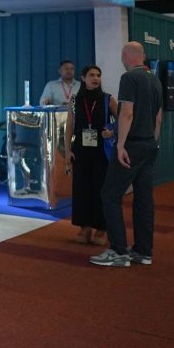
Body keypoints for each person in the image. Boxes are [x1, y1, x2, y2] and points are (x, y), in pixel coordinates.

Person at [91, 42, 163, 268]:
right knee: (144, 198)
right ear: (143, 56)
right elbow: (158, 117)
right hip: (149, 144)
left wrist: (120, 145)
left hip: (132, 145)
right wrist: (153, 142)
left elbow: (126, 114)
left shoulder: (129, 78)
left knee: (110, 194)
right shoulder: (155, 80)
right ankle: (143, 251)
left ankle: (118, 250)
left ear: (124, 56)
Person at [66, 65, 116, 246]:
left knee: (101, 189)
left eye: (98, 75)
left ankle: (101, 229)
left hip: (102, 150)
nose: (95, 78)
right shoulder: (74, 100)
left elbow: (122, 121)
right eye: (91, 75)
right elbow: (69, 126)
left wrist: (112, 132)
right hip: (80, 150)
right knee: (82, 189)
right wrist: (67, 150)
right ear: (83, 78)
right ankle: (84, 227)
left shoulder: (108, 99)